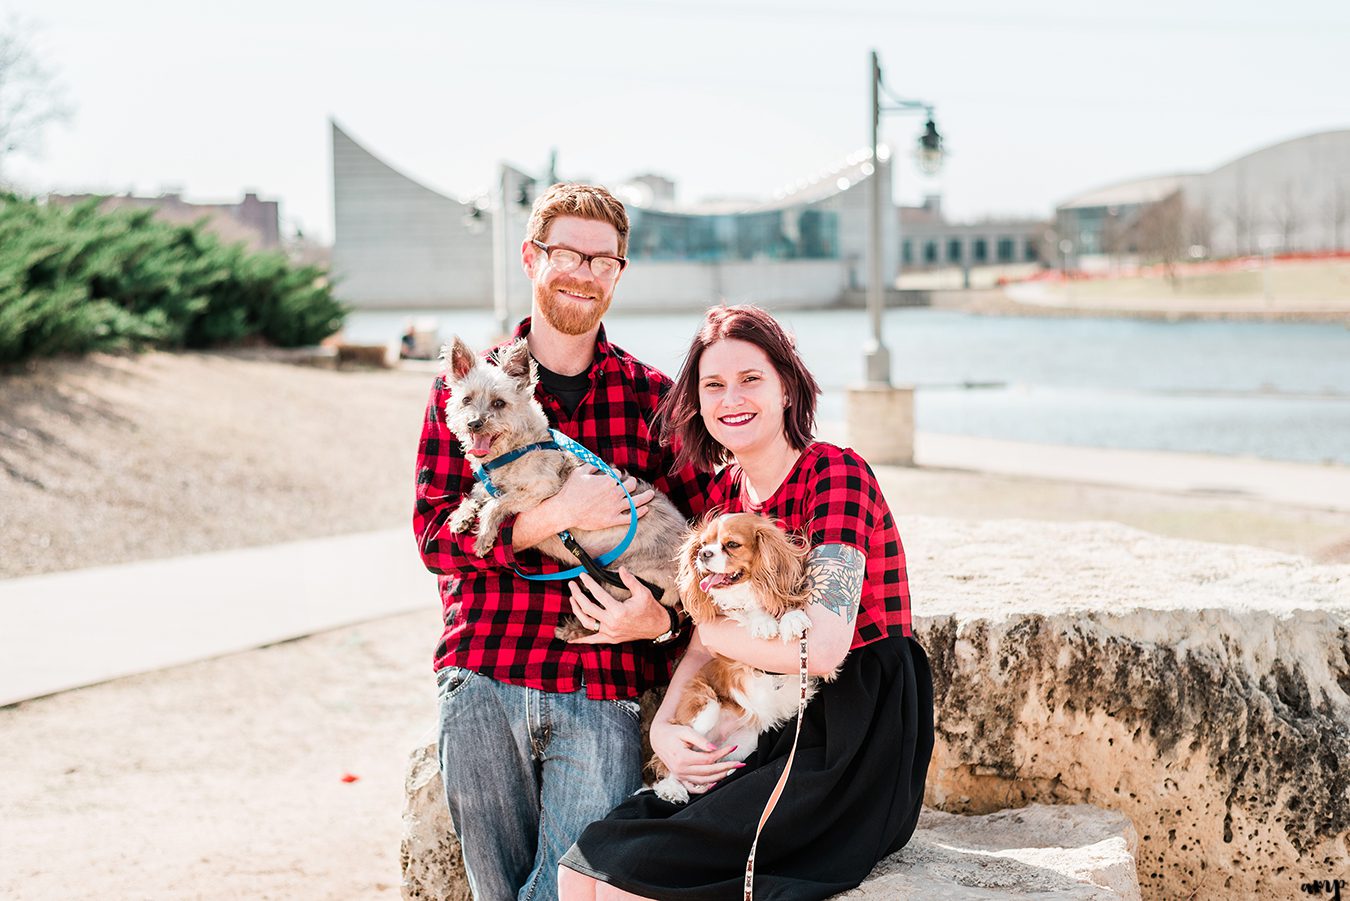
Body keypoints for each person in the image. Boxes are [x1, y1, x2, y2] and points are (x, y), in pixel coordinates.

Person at [557, 305, 935, 900]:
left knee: (636, 881)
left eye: (750, 378)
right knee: (582, 868)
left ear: (787, 387)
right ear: (699, 403)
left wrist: (713, 638)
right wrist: (665, 725)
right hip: (754, 711)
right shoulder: (724, 495)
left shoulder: (834, 472)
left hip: (848, 727)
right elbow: (703, 635)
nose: (731, 397)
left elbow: (824, 648)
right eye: (714, 385)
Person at [413, 183, 709, 901]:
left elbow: (701, 555)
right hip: (485, 669)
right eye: (567, 253)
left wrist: (662, 620)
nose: (583, 271)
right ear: (531, 257)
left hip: (598, 686)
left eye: (601, 259)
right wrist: (544, 518)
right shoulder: (465, 394)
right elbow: (433, 538)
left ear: (618, 273)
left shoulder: (656, 400)